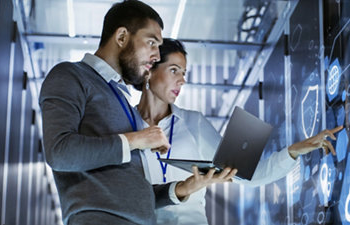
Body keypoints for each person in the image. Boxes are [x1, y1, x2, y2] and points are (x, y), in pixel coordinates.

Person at [38, 1, 237, 225]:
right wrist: (136, 139)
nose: (155, 55)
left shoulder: (121, 98)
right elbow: (59, 152)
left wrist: (184, 187)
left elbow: (131, 193)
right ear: (122, 37)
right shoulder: (70, 75)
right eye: (151, 43)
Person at [133, 38, 343, 225]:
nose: (182, 80)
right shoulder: (125, 128)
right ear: (149, 70)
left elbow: (250, 175)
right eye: (174, 70)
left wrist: (293, 151)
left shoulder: (192, 122)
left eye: (184, 73)